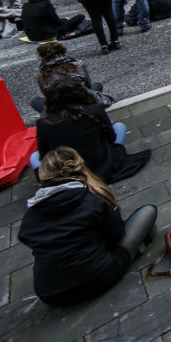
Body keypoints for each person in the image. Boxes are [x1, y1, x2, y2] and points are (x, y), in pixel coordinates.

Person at [17, 147, 157, 307]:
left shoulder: (31, 213)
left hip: (50, 294)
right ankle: (134, 251)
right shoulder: (92, 198)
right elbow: (117, 236)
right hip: (97, 277)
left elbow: (28, 237)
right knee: (148, 212)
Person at [32, 75, 151, 179]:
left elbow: (44, 155)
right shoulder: (93, 110)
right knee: (119, 127)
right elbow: (111, 137)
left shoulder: (44, 123)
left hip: (69, 172)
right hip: (102, 165)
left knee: (34, 157)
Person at [30, 40, 108, 114]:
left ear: (42, 56)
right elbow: (89, 86)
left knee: (35, 101)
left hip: (59, 109)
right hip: (85, 101)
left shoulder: (43, 74)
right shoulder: (78, 64)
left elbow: (48, 96)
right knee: (97, 85)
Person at [21, 0, 90, 42]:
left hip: (32, 36)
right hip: (48, 35)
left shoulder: (26, 6)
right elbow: (57, 22)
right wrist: (66, 20)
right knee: (80, 16)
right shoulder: (45, 5)